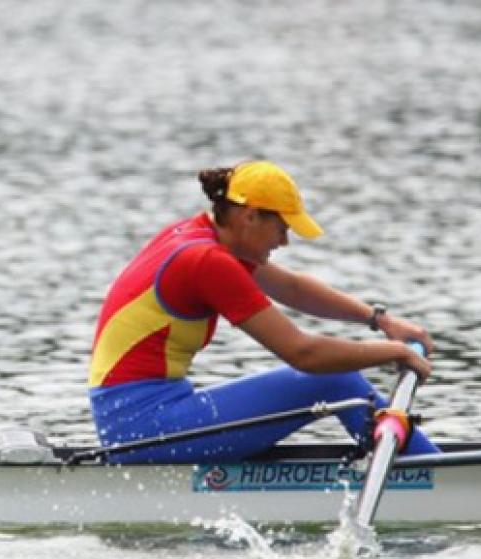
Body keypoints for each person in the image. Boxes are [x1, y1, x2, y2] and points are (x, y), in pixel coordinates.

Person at [87, 160, 438, 463]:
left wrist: (381, 321)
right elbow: (303, 353)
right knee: (335, 380)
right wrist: (395, 352)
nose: (284, 242)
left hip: (138, 418)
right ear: (250, 216)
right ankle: (429, 477)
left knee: (339, 382)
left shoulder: (202, 236)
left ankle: (409, 464)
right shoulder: (206, 261)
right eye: (282, 228)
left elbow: (293, 288)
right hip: (143, 429)